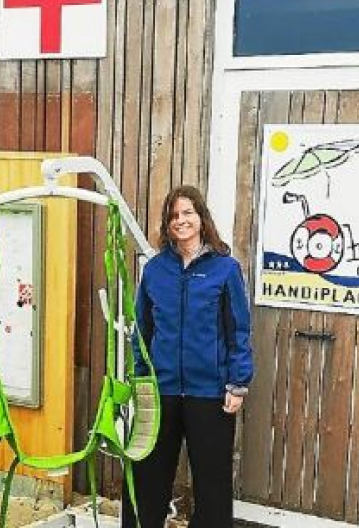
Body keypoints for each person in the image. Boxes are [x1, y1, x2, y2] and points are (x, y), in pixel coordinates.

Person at [123, 185, 254, 528]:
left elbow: (238, 329)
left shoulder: (225, 270)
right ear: (167, 223)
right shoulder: (155, 270)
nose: (180, 221)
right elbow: (142, 329)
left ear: (201, 218)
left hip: (209, 393)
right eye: (174, 215)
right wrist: (141, 379)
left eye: (187, 214)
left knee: (212, 484)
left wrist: (238, 383)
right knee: (146, 476)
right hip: (161, 389)